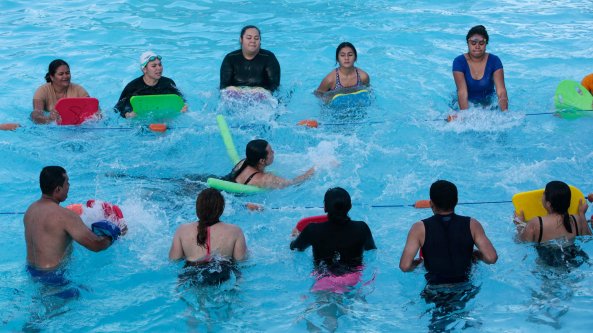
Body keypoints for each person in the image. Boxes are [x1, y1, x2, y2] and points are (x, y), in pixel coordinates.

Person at [24, 166, 125, 296]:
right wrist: (114, 234)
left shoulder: (30, 210)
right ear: (58, 189)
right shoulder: (66, 216)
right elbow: (96, 245)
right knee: (76, 297)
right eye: (67, 183)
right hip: (54, 278)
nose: (69, 186)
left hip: (32, 272)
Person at [399, 180, 498, 283]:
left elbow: (405, 266)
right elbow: (491, 258)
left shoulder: (419, 228)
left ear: (431, 204)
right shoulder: (472, 224)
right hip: (464, 289)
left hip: (435, 290)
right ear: (456, 201)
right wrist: (476, 255)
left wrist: (420, 263)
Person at [290, 187, 376, 292]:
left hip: (324, 279)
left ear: (325, 208)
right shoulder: (362, 228)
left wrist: (294, 236)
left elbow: (295, 248)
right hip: (353, 279)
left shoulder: (312, 229)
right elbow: (371, 250)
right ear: (350, 207)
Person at [169, 188, 247, 285]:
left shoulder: (182, 230)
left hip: (192, 273)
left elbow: (174, 259)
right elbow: (241, 260)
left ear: (197, 207)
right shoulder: (235, 231)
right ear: (221, 209)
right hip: (222, 272)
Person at [514, 181, 591, 267]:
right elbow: (588, 238)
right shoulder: (575, 219)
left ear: (548, 204)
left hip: (548, 261)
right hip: (573, 257)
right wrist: (582, 214)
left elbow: (520, 241)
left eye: (544, 193)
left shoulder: (536, 223)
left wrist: (519, 223)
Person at [115, 51, 187, 118]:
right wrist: (127, 114)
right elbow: (118, 108)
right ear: (144, 69)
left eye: (160, 64)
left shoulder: (168, 83)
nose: (159, 68)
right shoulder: (133, 86)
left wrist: (184, 107)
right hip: (142, 119)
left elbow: (181, 99)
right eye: (154, 66)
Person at [452, 25, 508, 111]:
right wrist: (464, 115)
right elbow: (462, 93)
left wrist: (505, 112)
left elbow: (501, 92)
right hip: (464, 103)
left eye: (481, 43)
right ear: (468, 43)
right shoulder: (459, 62)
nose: (477, 46)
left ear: (486, 44)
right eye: (473, 43)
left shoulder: (494, 61)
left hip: (487, 104)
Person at [225, 139, 315, 189]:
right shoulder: (265, 179)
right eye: (271, 151)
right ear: (262, 161)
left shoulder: (243, 162)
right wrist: (315, 169)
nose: (273, 152)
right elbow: (292, 183)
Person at [219, 25, 281, 92]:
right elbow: (223, 87)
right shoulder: (230, 58)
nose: (253, 41)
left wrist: (261, 91)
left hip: (261, 96)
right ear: (241, 39)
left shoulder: (269, 58)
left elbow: (275, 87)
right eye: (249, 38)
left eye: (256, 38)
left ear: (260, 41)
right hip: (237, 96)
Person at [31, 59, 91, 124]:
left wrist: (97, 115)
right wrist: (49, 119)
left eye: (67, 73)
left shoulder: (79, 90)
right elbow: (35, 115)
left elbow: (93, 109)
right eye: (61, 74)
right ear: (52, 77)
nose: (65, 76)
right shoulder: (42, 91)